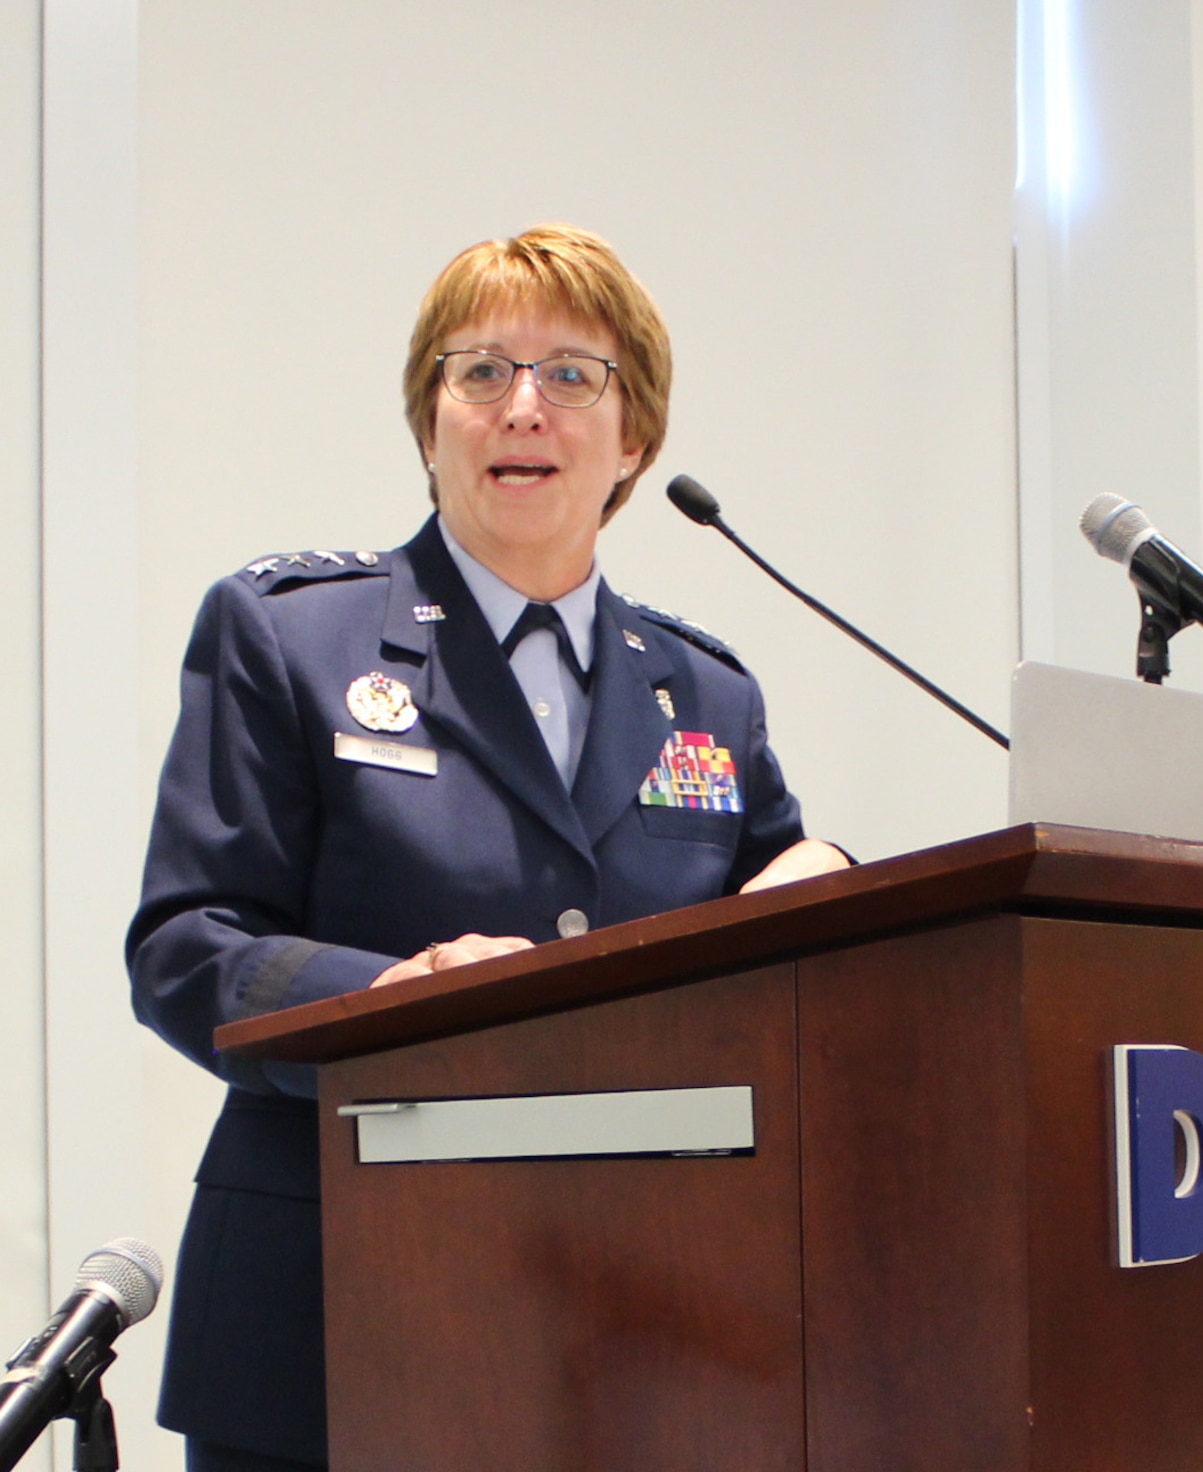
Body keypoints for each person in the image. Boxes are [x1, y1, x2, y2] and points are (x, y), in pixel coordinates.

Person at [127, 224, 849, 1472]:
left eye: (574, 375)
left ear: (635, 439)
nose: (525, 406)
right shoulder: (289, 636)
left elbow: (765, 946)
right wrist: (387, 1002)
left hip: (642, 1333)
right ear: (429, 422)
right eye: (481, 371)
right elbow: (185, 946)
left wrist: (832, 877)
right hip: (333, 1312)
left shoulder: (704, 693)